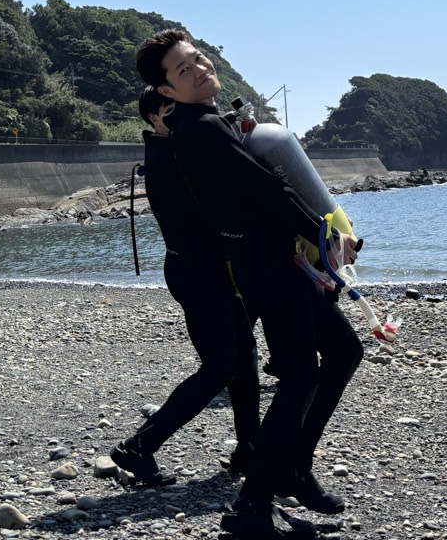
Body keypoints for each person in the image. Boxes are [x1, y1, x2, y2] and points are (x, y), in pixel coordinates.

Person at [136, 30, 364, 540]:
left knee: (344, 350)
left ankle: (293, 469)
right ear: (167, 91)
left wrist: (318, 238)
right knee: (301, 375)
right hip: (264, 265)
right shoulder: (199, 130)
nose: (200, 69)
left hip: (273, 259)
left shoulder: (207, 124)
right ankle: (252, 507)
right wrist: (328, 238)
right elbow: (270, 191)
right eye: (183, 70)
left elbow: (266, 188)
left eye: (199, 58)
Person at [108, 86, 261, 489]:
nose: (184, 117)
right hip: (197, 273)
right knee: (221, 366)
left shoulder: (171, 150)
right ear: (155, 118)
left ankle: (250, 449)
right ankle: (138, 447)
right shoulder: (169, 157)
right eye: (172, 109)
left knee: (244, 355)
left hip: (205, 268)